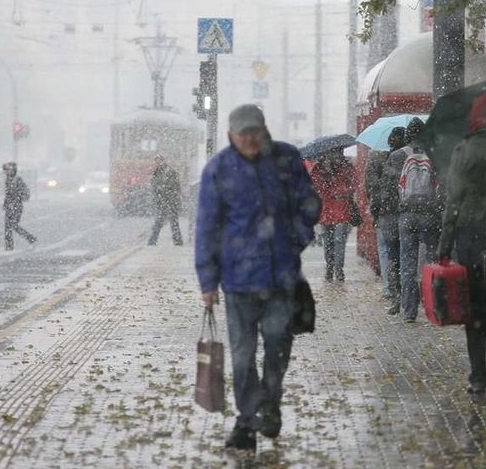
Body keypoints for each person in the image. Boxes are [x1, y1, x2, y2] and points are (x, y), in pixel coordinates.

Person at [195, 104, 320, 451]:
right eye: (243, 133)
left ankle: (270, 405)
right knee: (243, 356)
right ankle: (249, 420)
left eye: (256, 131)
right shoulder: (219, 170)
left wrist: (293, 241)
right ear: (231, 135)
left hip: (281, 279)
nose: (250, 138)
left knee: (278, 347)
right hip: (238, 283)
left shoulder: (286, 159)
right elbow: (207, 228)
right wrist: (208, 282)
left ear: (265, 129)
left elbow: (310, 205)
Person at [437, 94, 486, 393]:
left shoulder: (464, 150)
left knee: (473, 306)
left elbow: (453, 202)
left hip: (470, 235)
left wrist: (444, 244)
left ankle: (478, 377)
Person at [388, 118, 441, 321]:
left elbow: (391, 189)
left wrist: (395, 213)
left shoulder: (397, 156)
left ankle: (409, 311)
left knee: (407, 264)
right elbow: (441, 188)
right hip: (428, 215)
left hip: (407, 215)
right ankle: (433, 307)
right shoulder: (434, 156)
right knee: (430, 261)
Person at [365, 127, 406, 308]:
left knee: (387, 250)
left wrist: (375, 209)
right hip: (405, 210)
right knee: (405, 251)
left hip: (386, 211)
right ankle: (406, 289)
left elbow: (372, 186)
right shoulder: (408, 157)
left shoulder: (377, 158)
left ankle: (390, 288)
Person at [310, 146, 357, 283]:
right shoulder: (324, 169)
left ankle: (332, 269)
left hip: (329, 210)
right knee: (336, 242)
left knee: (331, 242)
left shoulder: (319, 169)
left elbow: (314, 188)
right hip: (337, 209)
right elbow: (353, 185)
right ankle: (335, 269)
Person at [147, 155, 183, 246]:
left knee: (170, 222)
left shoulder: (170, 172)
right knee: (162, 222)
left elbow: (174, 187)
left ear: (163, 161)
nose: (158, 163)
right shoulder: (157, 173)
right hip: (162, 201)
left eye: (159, 161)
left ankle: (176, 241)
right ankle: (153, 241)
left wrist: (168, 195)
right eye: (156, 161)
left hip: (169, 201)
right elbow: (155, 187)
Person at [1, 162, 35, 251]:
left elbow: (24, 193)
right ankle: (9, 246)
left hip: (17, 206)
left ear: (13, 171)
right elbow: (7, 194)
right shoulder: (7, 181)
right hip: (10, 206)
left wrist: (18, 197)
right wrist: (5, 203)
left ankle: (30, 238)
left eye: (8, 170)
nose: (6, 172)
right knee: (8, 227)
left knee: (13, 225)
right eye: (6, 170)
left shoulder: (18, 180)